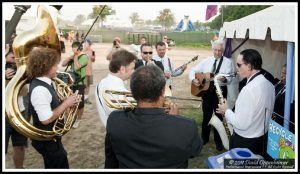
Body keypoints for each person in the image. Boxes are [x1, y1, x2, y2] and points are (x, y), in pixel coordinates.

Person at [105, 65, 202, 168]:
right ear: (163, 92)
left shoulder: (115, 120)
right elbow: (194, 152)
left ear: (132, 93)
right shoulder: (187, 127)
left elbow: (111, 159)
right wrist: (175, 120)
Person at [26, 47, 80, 168]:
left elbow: (50, 106)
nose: (58, 68)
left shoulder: (45, 83)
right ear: (46, 66)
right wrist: (66, 104)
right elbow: (46, 119)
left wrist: (67, 102)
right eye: (55, 65)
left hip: (52, 138)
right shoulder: (40, 89)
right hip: (47, 141)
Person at [216, 49, 275, 157]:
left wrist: (226, 110)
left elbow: (240, 124)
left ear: (249, 66)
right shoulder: (269, 84)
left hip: (245, 142)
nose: (237, 68)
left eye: (239, 65)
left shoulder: (248, 90)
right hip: (261, 139)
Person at [188, 39, 234, 151]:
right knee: (206, 115)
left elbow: (230, 79)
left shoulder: (228, 62)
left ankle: (219, 141)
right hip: (207, 92)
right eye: (215, 50)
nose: (217, 52)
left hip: (220, 91)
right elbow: (193, 70)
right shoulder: (207, 61)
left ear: (223, 51)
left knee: (219, 116)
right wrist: (193, 79)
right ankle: (204, 138)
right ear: (212, 49)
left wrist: (224, 79)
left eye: (220, 50)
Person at [96, 50, 137, 128]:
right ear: (122, 69)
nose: (134, 71)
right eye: (132, 69)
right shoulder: (119, 91)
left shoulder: (102, 83)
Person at [5, 48, 28, 169]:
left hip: (19, 111)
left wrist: (18, 80)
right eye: (12, 58)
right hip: (4, 115)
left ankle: (19, 168)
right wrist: (5, 79)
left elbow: (24, 93)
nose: (14, 62)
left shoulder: (19, 71)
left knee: (20, 145)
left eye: (16, 59)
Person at [62, 41, 88, 128]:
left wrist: (76, 57)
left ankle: (78, 120)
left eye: (75, 47)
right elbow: (63, 64)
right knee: (68, 101)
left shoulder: (84, 57)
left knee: (79, 103)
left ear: (79, 48)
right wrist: (70, 57)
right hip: (70, 83)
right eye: (72, 47)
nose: (73, 48)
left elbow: (77, 67)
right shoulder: (73, 57)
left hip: (79, 83)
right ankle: (70, 118)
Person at [82, 39, 96, 104]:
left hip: (89, 71)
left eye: (87, 43)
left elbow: (93, 60)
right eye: (85, 43)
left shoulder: (92, 51)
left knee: (88, 85)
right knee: (82, 85)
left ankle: (86, 98)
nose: (85, 44)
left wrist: (92, 58)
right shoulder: (81, 51)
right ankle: (81, 98)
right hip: (82, 71)